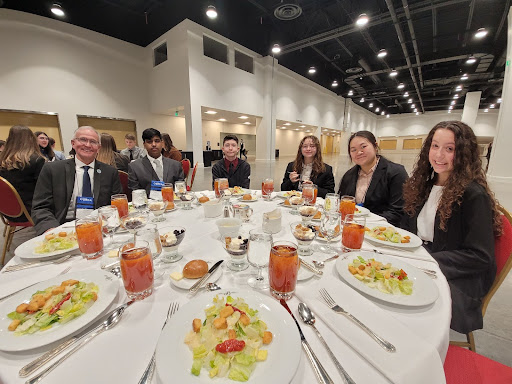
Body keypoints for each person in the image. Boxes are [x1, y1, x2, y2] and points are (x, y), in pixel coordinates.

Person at [401, 121, 502, 334]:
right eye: (435, 146)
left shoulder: (473, 195)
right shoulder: (425, 185)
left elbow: (480, 256)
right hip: (424, 262)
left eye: (450, 149)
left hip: (456, 279)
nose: (439, 155)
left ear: (464, 154)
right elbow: (410, 228)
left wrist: (424, 261)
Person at [32, 126, 123, 235]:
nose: (88, 145)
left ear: (99, 147)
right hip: (63, 227)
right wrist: (51, 230)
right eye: (83, 140)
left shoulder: (109, 172)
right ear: (73, 143)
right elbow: (41, 207)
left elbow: (115, 204)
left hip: (98, 227)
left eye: (93, 142)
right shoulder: (53, 170)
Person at [337, 131, 408, 226]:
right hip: (352, 228)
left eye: (363, 147)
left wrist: (365, 223)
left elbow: (397, 211)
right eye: (353, 150)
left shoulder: (396, 172)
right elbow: (343, 202)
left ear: (375, 146)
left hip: (383, 230)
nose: (359, 152)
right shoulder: (349, 175)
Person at [0, 126, 45, 222]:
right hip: (32, 211)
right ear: (31, 139)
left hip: (8, 212)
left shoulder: (2, 161)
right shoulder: (36, 160)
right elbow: (44, 189)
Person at [128, 128, 184, 196]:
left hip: (172, 203)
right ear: (144, 145)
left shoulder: (175, 165)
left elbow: (181, 190)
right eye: (149, 142)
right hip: (148, 205)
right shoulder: (135, 167)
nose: (154, 144)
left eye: (157, 141)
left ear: (162, 143)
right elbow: (135, 193)